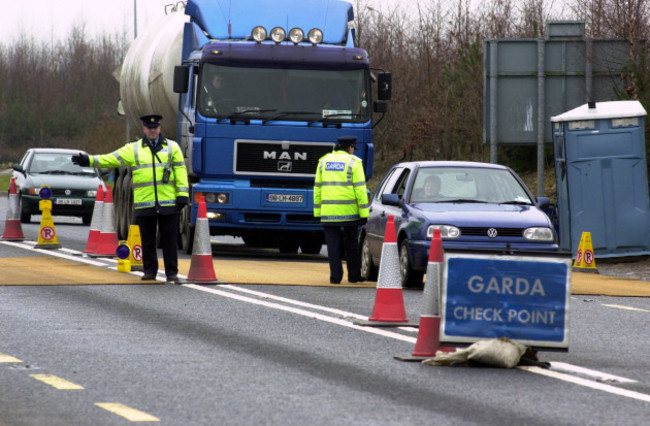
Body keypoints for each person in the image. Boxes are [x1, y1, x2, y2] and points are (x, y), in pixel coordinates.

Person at [72, 114, 189, 284]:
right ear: (144, 129)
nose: (153, 131)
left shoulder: (172, 148)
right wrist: (89, 161)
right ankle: (150, 271)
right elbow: (111, 158)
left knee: (169, 240)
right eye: (149, 128)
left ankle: (172, 273)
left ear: (160, 128)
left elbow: (181, 172)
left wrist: (182, 195)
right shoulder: (133, 149)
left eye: (155, 127)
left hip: (168, 202)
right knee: (147, 241)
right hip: (145, 202)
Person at [313, 136, 369, 284]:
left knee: (333, 246)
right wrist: (364, 214)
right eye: (353, 148)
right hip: (349, 213)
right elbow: (361, 191)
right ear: (350, 147)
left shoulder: (323, 162)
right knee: (351, 245)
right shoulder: (354, 163)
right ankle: (353, 276)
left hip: (329, 213)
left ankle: (335, 277)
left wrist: (318, 213)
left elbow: (317, 189)